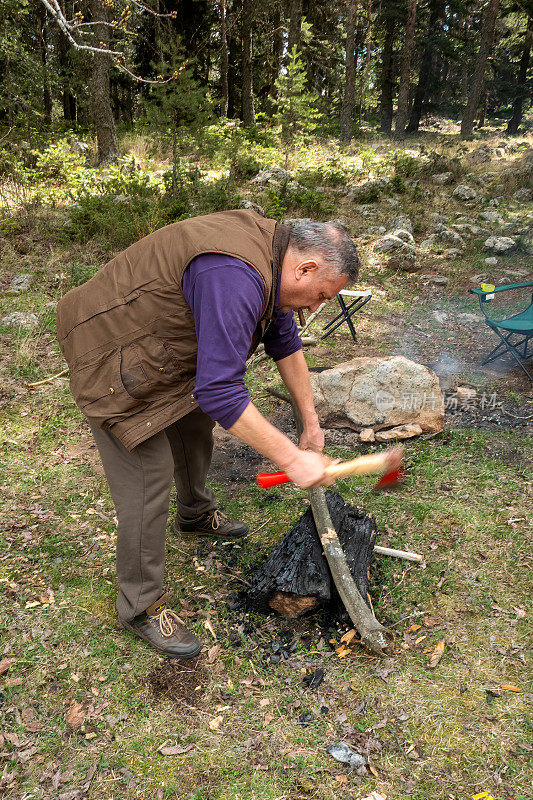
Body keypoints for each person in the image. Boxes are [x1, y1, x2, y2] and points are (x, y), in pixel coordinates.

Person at [57, 210, 359, 659]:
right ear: (306, 268)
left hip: (160, 347)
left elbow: (284, 341)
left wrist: (311, 426)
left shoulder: (273, 262)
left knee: (195, 426)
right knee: (148, 478)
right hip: (110, 350)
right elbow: (221, 391)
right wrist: (293, 460)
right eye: (318, 296)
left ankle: (196, 515)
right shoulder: (234, 272)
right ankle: (140, 605)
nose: (314, 308)